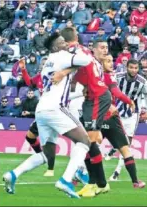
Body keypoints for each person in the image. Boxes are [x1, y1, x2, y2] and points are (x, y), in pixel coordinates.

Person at [3, 33, 93, 198]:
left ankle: (13, 174)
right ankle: (66, 180)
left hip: (41, 110)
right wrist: (69, 67)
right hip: (55, 107)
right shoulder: (62, 56)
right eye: (61, 42)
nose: (65, 43)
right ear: (55, 47)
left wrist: (66, 71)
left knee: (47, 154)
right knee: (84, 141)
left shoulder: (49, 61)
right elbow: (87, 60)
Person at [55, 28, 112, 197]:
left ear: (65, 42)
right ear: (77, 37)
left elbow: (80, 66)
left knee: (89, 140)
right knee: (88, 140)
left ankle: (92, 181)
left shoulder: (73, 52)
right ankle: (97, 182)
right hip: (93, 97)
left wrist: (62, 73)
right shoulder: (84, 51)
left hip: (98, 97)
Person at [100, 54, 146, 189]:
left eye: (111, 61)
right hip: (109, 115)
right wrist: (129, 101)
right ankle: (135, 181)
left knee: (90, 147)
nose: (111, 64)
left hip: (103, 115)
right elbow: (117, 93)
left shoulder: (96, 76)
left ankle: (78, 175)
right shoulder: (111, 77)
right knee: (125, 149)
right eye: (108, 61)